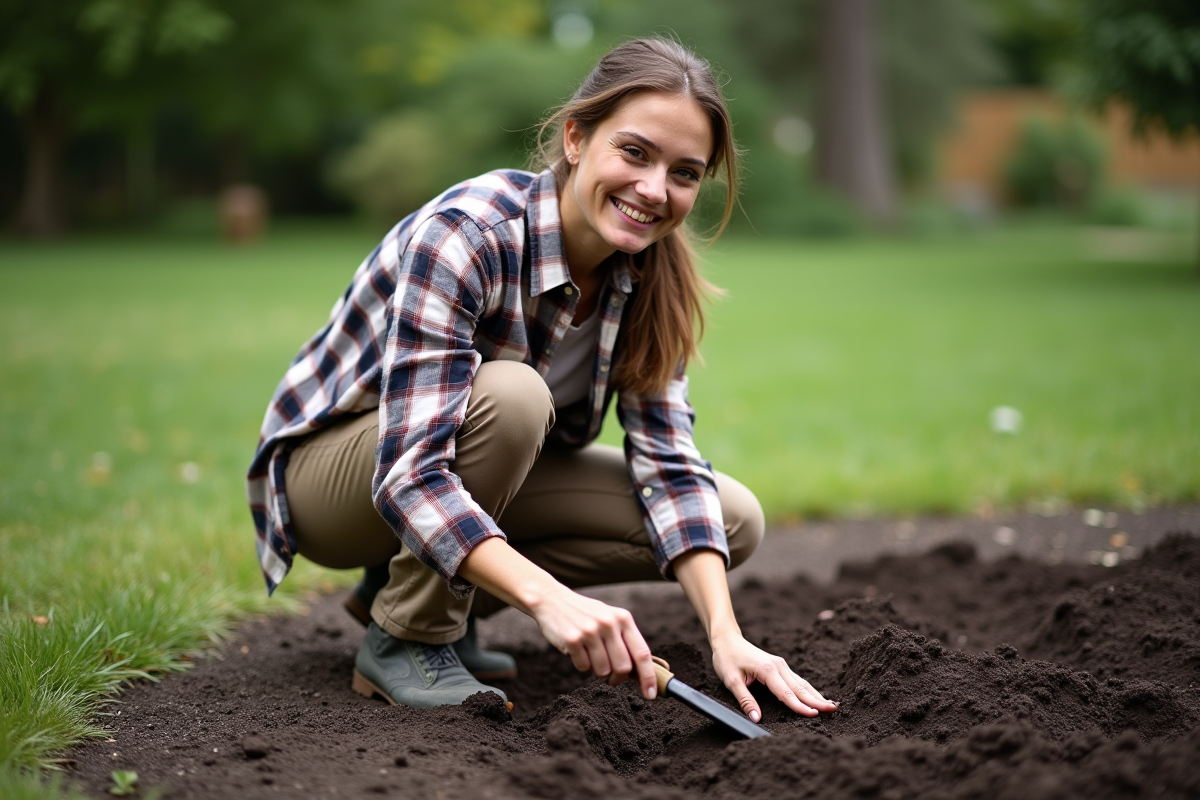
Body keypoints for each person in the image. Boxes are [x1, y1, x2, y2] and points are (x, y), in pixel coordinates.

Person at [247, 37, 836, 723]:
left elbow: (671, 468)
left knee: (732, 520)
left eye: (683, 172)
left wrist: (726, 636)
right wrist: (549, 599)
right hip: (336, 482)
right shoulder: (469, 234)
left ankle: (414, 586)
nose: (653, 190)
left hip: (450, 475)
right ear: (577, 137)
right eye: (635, 152)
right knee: (514, 396)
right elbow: (410, 472)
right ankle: (407, 635)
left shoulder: (652, 274)